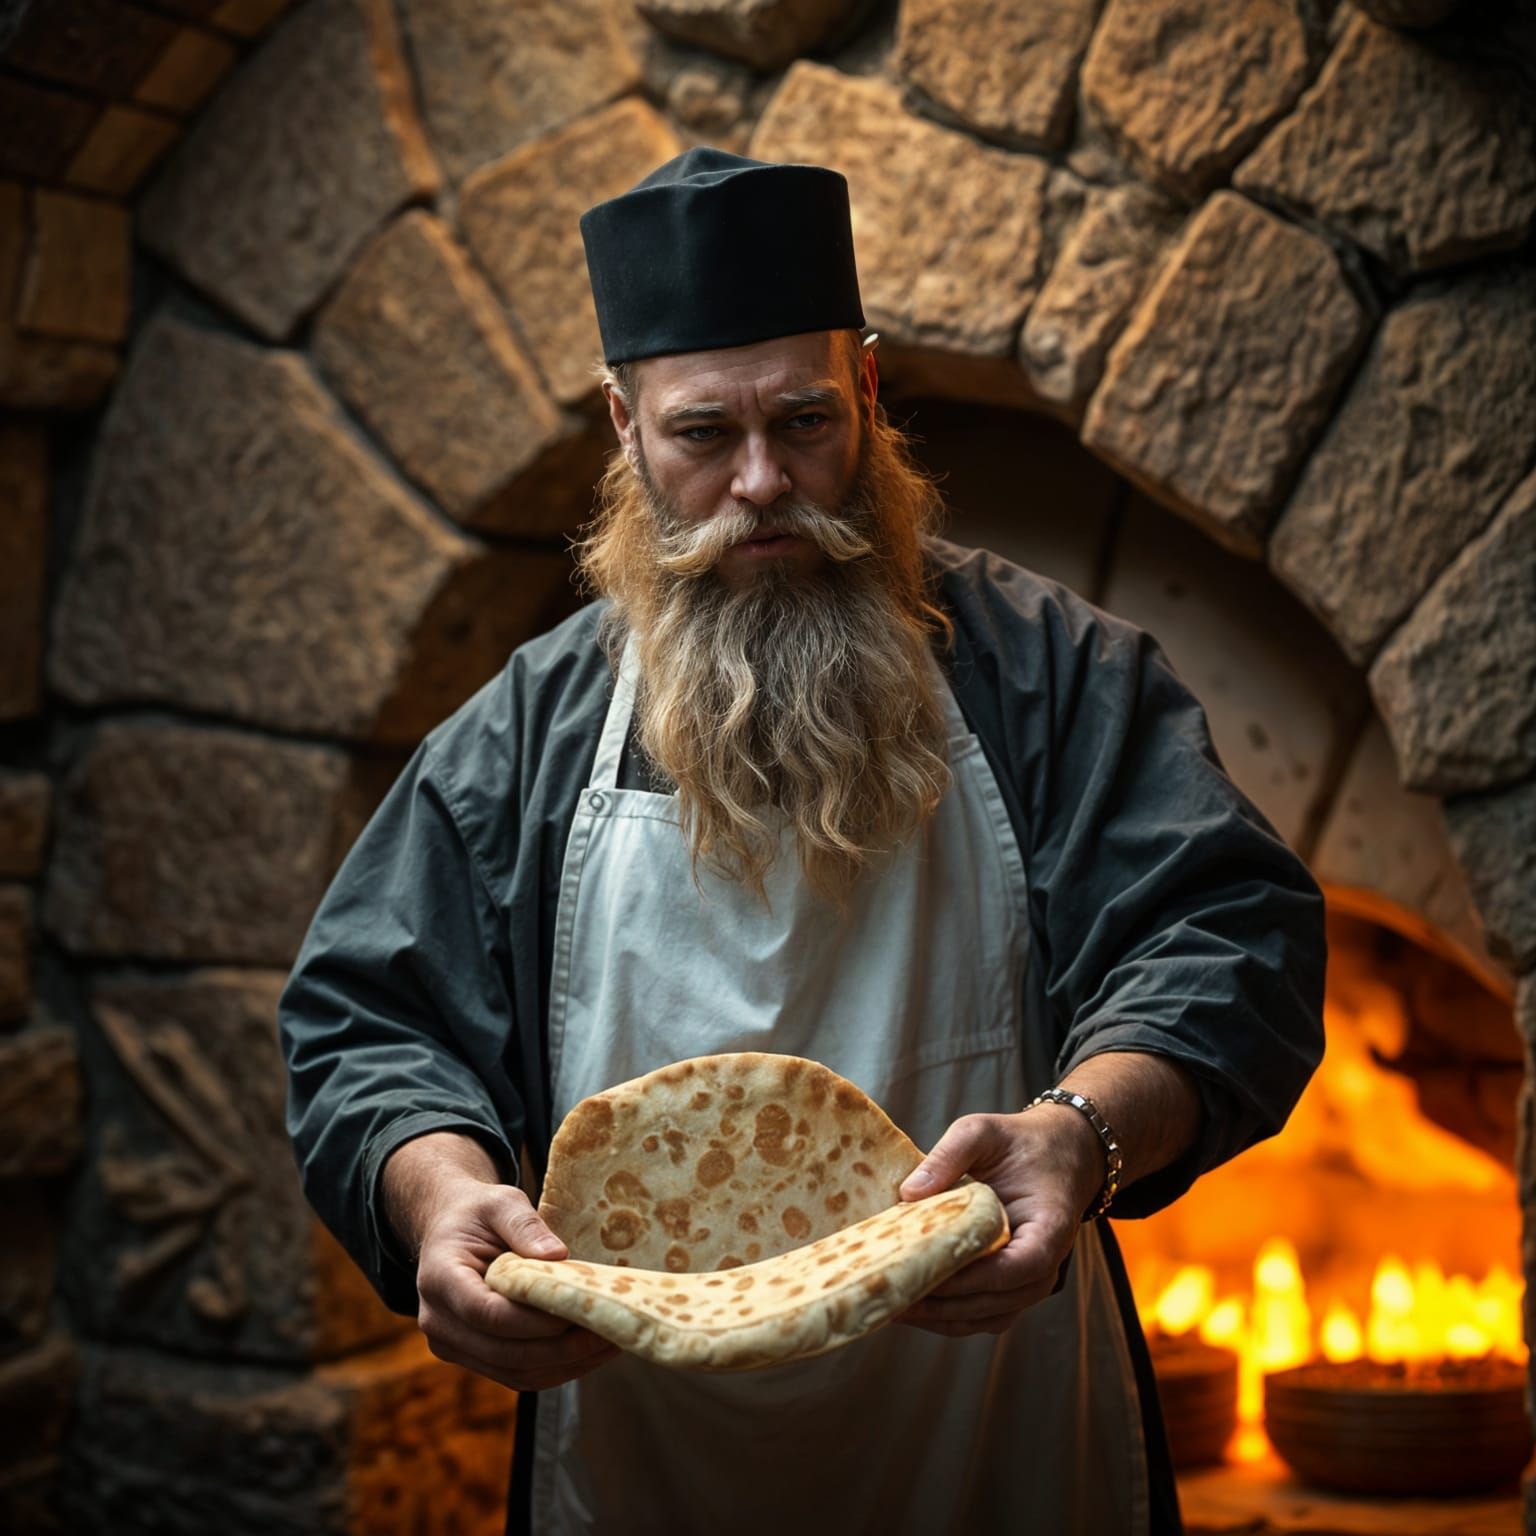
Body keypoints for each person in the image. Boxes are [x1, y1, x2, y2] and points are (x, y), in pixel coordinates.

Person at [279, 148, 1327, 1535]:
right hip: (642, 1458)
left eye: (806, 421)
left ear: (870, 395)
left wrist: (1081, 1135)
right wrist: (440, 1196)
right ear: (626, 429)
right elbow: (369, 1024)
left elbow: (1228, 935)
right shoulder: (524, 739)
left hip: (1002, 1431)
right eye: (704, 435)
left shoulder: (1051, 674)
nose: (764, 482)